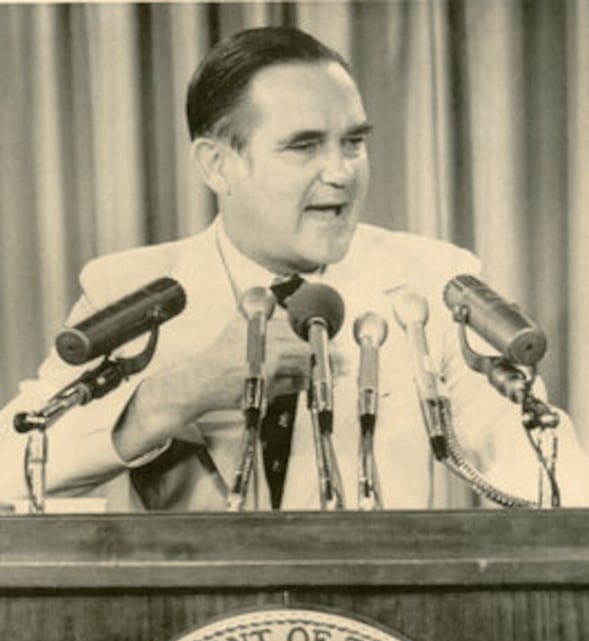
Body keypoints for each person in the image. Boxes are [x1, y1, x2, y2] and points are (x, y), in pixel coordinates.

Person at [1, 25, 588, 511]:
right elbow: (12, 463)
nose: (341, 172)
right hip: (198, 617)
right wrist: (177, 394)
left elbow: (545, 466)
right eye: (304, 146)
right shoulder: (130, 291)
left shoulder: (431, 281)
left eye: (353, 142)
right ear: (217, 165)